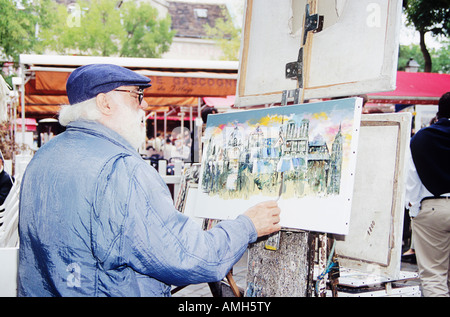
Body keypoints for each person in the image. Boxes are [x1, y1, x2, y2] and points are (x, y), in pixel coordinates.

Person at [18, 64, 281, 297]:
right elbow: (190, 257)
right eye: (137, 95)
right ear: (104, 103)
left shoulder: (44, 156)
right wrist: (248, 226)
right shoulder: (122, 169)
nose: (144, 105)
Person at [405, 91, 450, 297]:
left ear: (438, 112)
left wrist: (414, 210)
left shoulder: (421, 138)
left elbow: (411, 178)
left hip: (432, 207)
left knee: (434, 276)